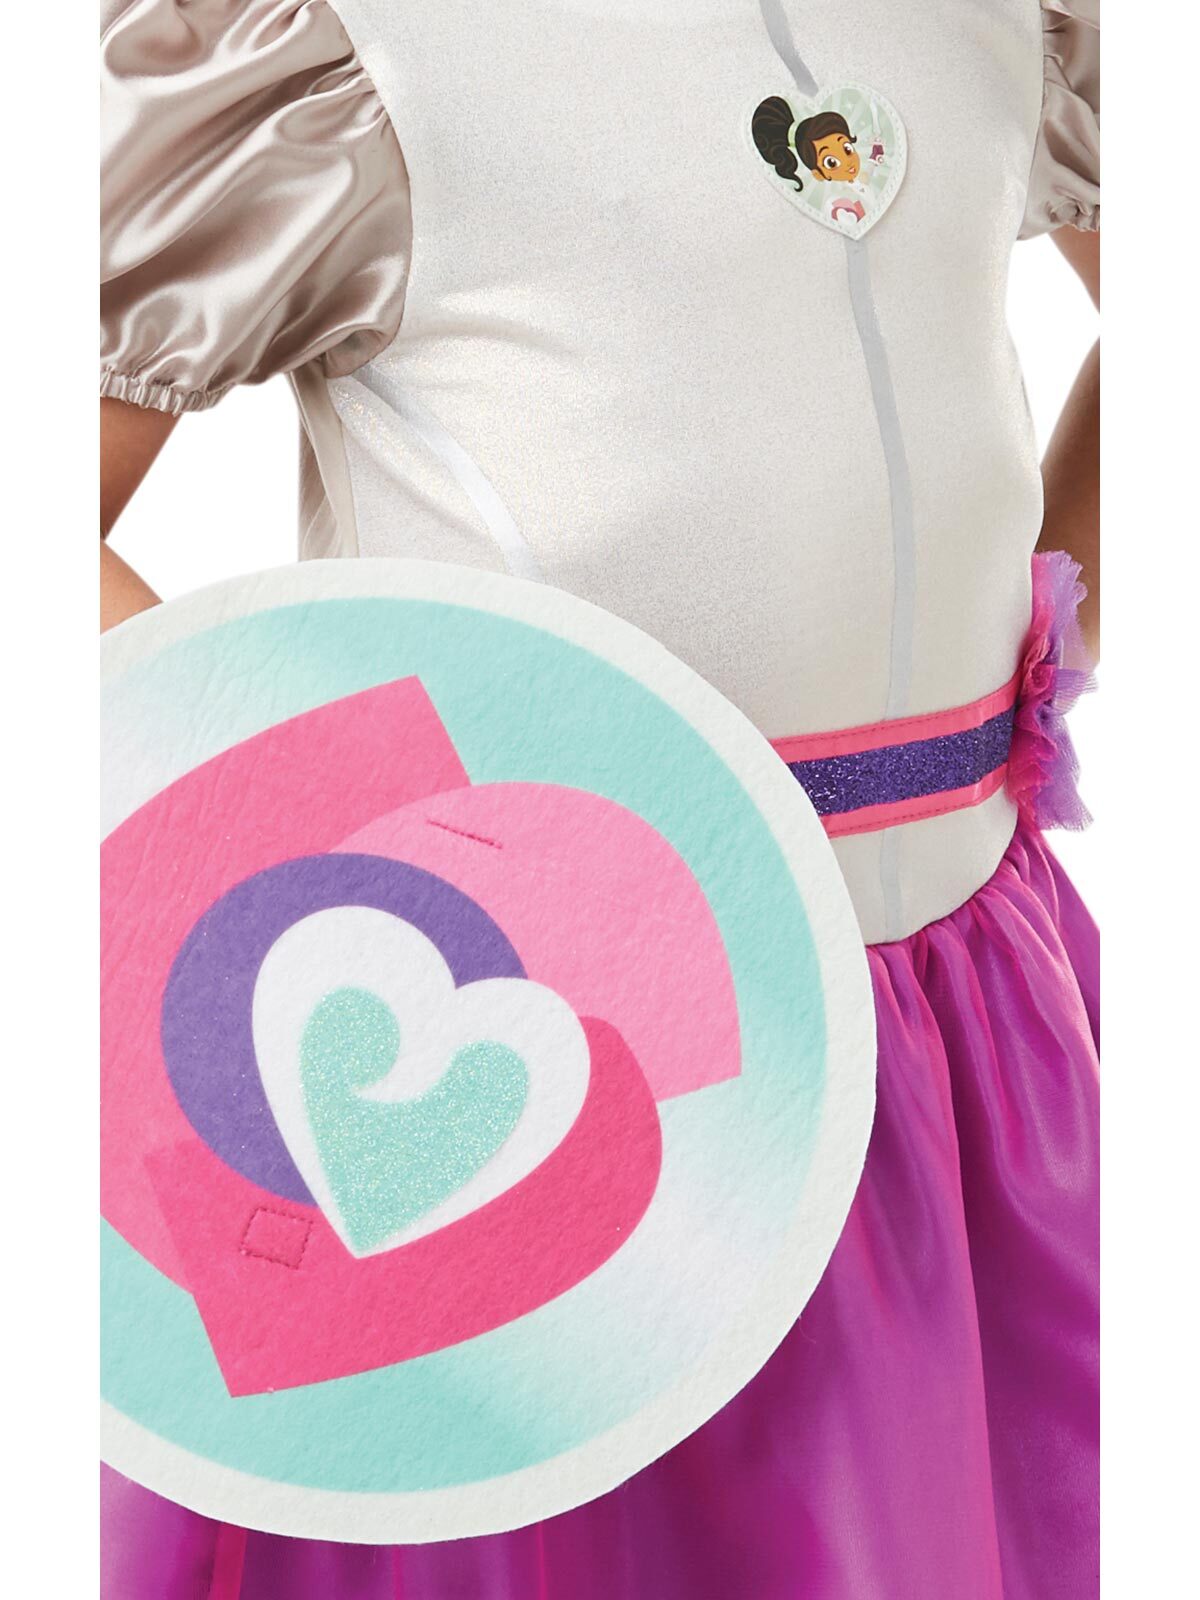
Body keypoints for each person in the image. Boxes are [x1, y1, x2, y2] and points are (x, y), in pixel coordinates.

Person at [99, 2, 1100, 1596]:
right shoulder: (353, 47)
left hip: (958, 1014)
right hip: (548, 1060)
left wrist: (1041, 624)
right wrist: (306, 851)